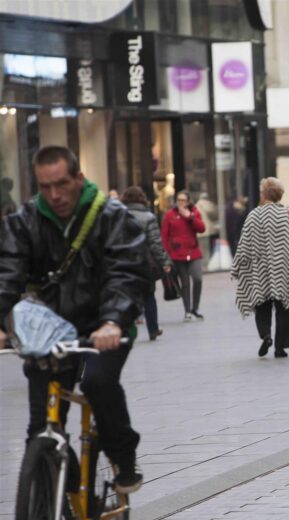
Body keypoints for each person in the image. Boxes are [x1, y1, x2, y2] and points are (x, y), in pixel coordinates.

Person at [0, 146, 150, 493]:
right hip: (50, 331)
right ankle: (58, 487)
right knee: (42, 426)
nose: (54, 195)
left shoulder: (111, 216)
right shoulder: (25, 221)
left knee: (97, 383)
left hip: (103, 328)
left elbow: (126, 272)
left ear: (79, 179)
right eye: (45, 186)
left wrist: (112, 321)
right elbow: (7, 272)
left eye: (62, 184)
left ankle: (122, 455)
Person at [232, 178, 289, 358]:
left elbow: (244, 243)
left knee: (262, 304)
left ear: (264, 195)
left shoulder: (254, 215)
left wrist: (237, 266)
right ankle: (280, 347)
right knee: (283, 306)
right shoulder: (288, 215)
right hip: (283, 268)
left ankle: (265, 335)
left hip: (260, 269)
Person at [121, 186, 172, 341]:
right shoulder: (149, 216)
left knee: (126, 296)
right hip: (144, 262)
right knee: (149, 295)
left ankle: (126, 331)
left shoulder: (119, 215)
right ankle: (153, 329)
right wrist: (165, 262)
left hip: (123, 261)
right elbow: (155, 243)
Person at [161, 190, 206, 321]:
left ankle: (195, 308)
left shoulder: (194, 212)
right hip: (177, 254)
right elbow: (164, 235)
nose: (180, 203)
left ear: (188, 201)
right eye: (178, 200)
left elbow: (202, 228)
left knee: (198, 278)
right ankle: (187, 311)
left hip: (193, 252)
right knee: (185, 283)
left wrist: (190, 217)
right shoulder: (170, 214)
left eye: (183, 200)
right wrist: (166, 253)